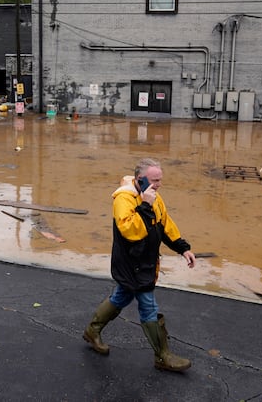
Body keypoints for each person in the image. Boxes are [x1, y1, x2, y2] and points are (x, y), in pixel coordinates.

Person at [83, 158, 196, 372]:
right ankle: (162, 356)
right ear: (140, 180)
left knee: (122, 296)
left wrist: (183, 248)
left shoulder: (156, 197)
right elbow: (131, 231)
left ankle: (92, 331)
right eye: (155, 180)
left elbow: (165, 224)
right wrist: (145, 204)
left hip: (146, 263)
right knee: (148, 306)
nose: (159, 184)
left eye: (160, 180)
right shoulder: (123, 199)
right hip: (131, 265)